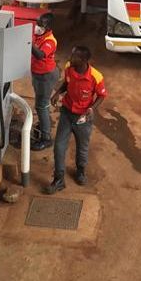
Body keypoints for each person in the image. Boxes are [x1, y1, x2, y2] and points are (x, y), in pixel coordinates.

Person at [45, 46, 107, 194]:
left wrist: (91, 109)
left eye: (75, 57)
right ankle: (59, 179)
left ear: (84, 61)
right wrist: (58, 93)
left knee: (82, 147)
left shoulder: (96, 77)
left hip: (83, 118)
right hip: (66, 113)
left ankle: (80, 171)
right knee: (59, 146)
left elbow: (101, 95)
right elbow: (67, 83)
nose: (70, 59)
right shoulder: (69, 68)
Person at [30, 13, 58, 151]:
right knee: (40, 103)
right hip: (38, 75)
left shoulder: (50, 41)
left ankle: (46, 138)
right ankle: (43, 125)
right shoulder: (39, 36)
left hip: (46, 76)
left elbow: (40, 55)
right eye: (38, 22)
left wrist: (28, 42)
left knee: (41, 106)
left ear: (49, 27)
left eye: (41, 24)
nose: (38, 26)